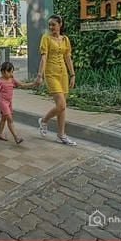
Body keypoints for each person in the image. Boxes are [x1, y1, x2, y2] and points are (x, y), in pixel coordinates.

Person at [35, 14, 77, 146]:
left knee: (62, 107)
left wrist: (72, 75)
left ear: (60, 24)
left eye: (53, 24)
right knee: (61, 105)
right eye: (49, 25)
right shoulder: (46, 38)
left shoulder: (65, 39)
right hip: (51, 74)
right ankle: (44, 120)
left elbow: (68, 58)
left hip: (63, 74)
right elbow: (44, 58)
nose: (51, 27)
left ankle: (61, 135)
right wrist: (40, 75)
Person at [0, 61, 35, 144]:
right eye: (10, 72)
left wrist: (33, 84)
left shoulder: (12, 79)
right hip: (2, 102)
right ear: (3, 72)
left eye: (12, 72)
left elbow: (21, 85)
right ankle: (16, 137)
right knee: (10, 119)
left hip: (9, 102)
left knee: (4, 118)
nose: (11, 74)